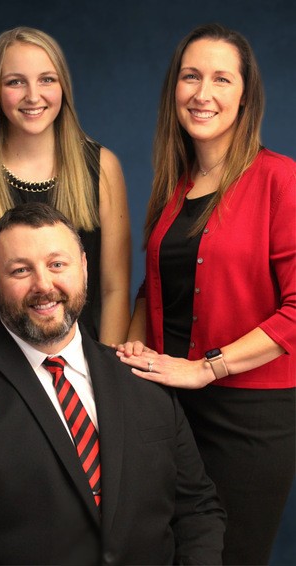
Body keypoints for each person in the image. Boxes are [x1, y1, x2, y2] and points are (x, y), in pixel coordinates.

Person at [0, 202, 225, 565]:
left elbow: (198, 509)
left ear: (84, 268)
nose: (43, 285)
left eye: (57, 264)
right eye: (20, 270)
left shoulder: (143, 377)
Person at [116, 23, 295, 565]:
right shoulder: (175, 186)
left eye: (221, 79)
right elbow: (153, 288)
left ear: (246, 96)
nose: (202, 93)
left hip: (249, 420)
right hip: (168, 409)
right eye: (191, 76)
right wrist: (132, 351)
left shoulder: (281, 180)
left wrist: (206, 368)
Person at [0, 26, 131, 345]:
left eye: (46, 79)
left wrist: (105, 367)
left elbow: (115, 289)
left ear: (63, 85)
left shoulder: (102, 167)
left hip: (81, 362)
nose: (33, 96)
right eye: (15, 82)